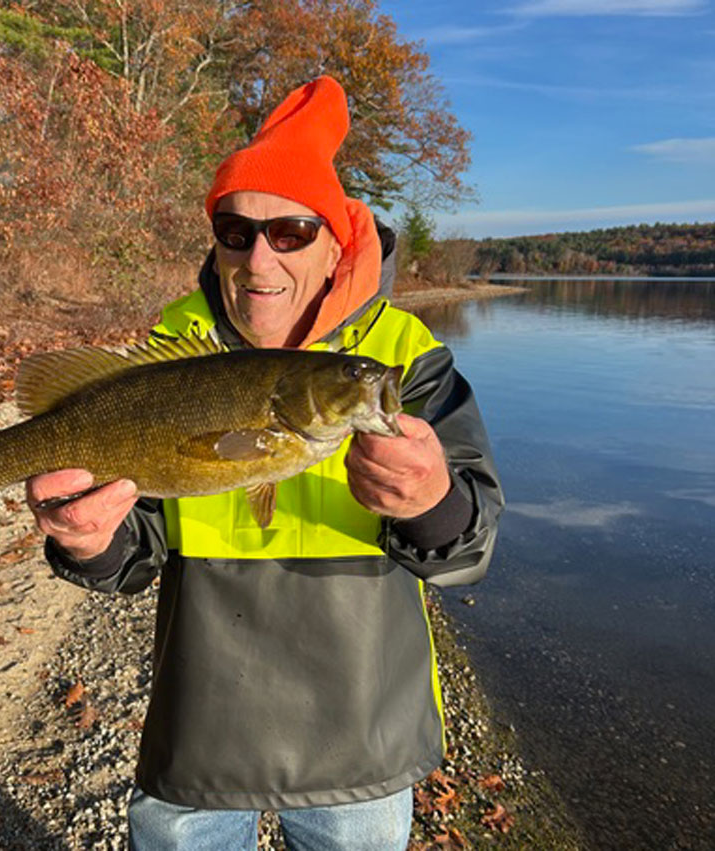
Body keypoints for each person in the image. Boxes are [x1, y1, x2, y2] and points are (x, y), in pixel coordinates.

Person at [26, 76, 504, 851]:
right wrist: (86, 541)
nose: (258, 257)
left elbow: (473, 547)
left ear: (337, 242)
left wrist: (432, 501)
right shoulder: (170, 353)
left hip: (361, 740)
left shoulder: (405, 359)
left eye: (290, 232)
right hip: (201, 730)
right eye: (235, 230)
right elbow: (132, 553)